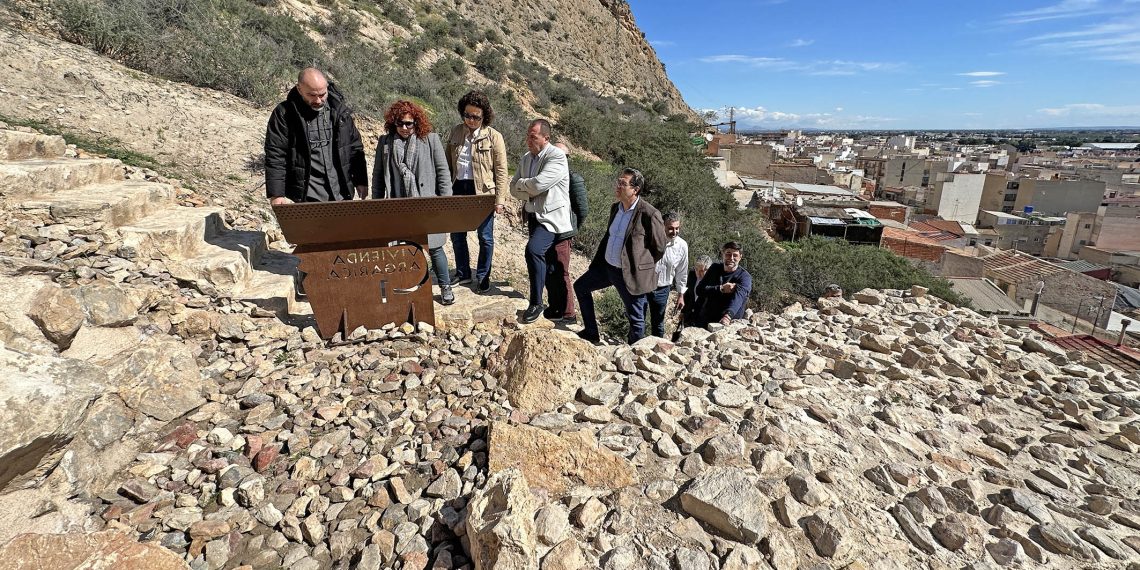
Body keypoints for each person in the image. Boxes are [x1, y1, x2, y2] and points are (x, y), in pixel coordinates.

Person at [372, 100, 456, 305]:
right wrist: (376, 204)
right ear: (393, 123)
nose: (404, 128)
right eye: (400, 123)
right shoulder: (385, 143)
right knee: (399, 248)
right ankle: (403, 288)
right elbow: (378, 175)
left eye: (409, 123)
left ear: (417, 123)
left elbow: (443, 172)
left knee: (434, 247)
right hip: (397, 205)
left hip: (426, 204)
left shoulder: (430, 140)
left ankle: (445, 286)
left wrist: (445, 202)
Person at [573, 168, 667, 344]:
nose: (618, 186)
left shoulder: (649, 213)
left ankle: (633, 355)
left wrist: (640, 264)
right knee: (581, 287)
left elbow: (659, 247)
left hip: (629, 272)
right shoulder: (615, 208)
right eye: (618, 182)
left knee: (636, 318)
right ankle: (591, 332)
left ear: (635, 189)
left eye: (623, 184)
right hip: (607, 267)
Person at [264, 67, 367, 205]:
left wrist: (360, 180)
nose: (318, 100)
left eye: (322, 94)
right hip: (305, 195)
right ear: (299, 89)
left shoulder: (340, 112)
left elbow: (354, 147)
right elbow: (276, 154)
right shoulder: (285, 114)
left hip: (340, 193)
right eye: (312, 95)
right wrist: (276, 194)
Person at [445, 91, 510, 293]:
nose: (471, 120)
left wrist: (500, 199)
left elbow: (501, 170)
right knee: (457, 234)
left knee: (485, 237)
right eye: (467, 115)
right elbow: (447, 164)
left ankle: (483, 276)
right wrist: (444, 190)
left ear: (484, 116)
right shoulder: (456, 132)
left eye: (476, 117)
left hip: (482, 192)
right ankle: (463, 273)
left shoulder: (494, 137)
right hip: (458, 188)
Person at [510, 119, 573, 323]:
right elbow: (512, 188)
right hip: (534, 216)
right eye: (528, 135)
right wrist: (527, 186)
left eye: (533, 136)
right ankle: (555, 310)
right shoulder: (526, 158)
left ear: (546, 138)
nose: (528, 139)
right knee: (549, 265)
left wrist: (524, 185)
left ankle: (537, 303)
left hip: (551, 219)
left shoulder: (557, 157)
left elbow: (538, 185)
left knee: (534, 251)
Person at [544, 142, 589, 321]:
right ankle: (555, 307)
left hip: (563, 233)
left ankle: (568, 312)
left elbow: (582, 209)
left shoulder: (573, 178)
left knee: (561, 271)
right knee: (549, 270)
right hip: (548, 230)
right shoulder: (549, 176)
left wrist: (571, 227)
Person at [691, 241, 753, 328]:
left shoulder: (744, 277)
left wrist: (728, 316)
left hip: (729, 323)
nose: (731, 258)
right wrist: (721, 288)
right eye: (728, 254)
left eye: (735, 255)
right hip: (706, 319)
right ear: (722, 254)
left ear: (740, 257)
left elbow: (739, 297)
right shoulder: (714, 268)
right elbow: (700, 290)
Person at [647, 211, 688, 338]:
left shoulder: (682, 246)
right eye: (670, 228)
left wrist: (681, 294)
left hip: (663, 289)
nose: (674, 232)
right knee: (638, 320)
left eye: (677, 228)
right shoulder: (650, 239)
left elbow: (682, 272)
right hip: (644, 286)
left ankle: (657, 350)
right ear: (662, 226)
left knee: (658, 323)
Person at [675, 254, 713, 340]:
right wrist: (683, 311)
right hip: (690, 314)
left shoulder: (713, 279)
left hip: (704, 318)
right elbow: (689, 293)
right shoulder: (692, 274)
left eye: (703, 270)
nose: (699, 273)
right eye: (697, 270)